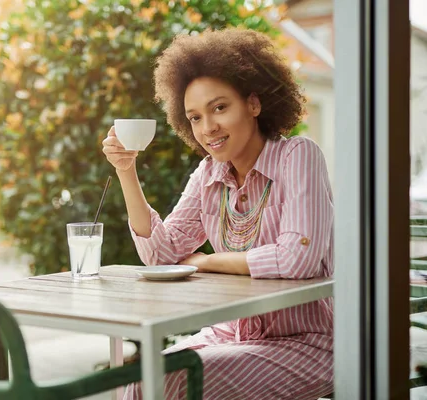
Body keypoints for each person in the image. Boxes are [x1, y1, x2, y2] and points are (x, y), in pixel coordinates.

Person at [102, 28, 334, 399]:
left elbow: (298, 259)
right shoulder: (209, 173)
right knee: (142, 380)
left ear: (253, 104)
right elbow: (161, 253)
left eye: (219, 107)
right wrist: (126, 171)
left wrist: (206, 262)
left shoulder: (298, 156)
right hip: (234, 333)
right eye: (194, 117)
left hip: (309, 342)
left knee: (175, 381)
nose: (207, 128)